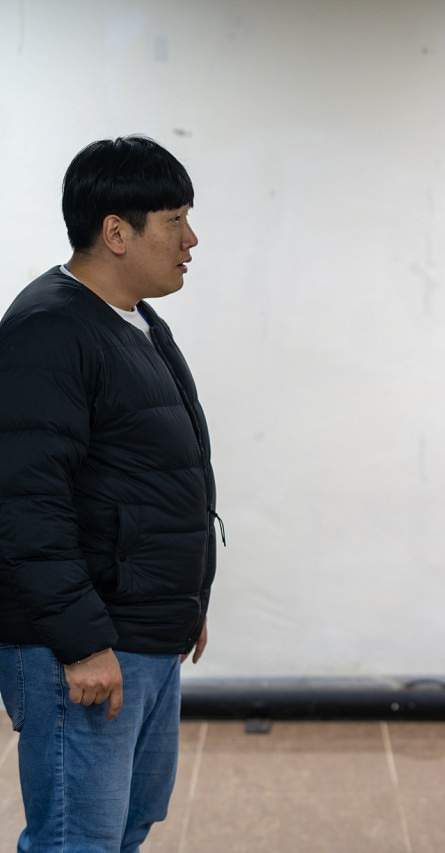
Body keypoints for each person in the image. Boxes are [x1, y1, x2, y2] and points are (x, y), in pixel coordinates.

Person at [0, 136, 219, 852]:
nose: (191, 240)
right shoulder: (49, 330)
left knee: (123, 829)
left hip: (143, 633)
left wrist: (185, 601)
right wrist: (82, 641)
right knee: (76, 840)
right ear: (117, 232)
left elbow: (153, 479)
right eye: (175, 220)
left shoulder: (138, 321)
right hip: (88, 647)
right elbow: (24, 502)